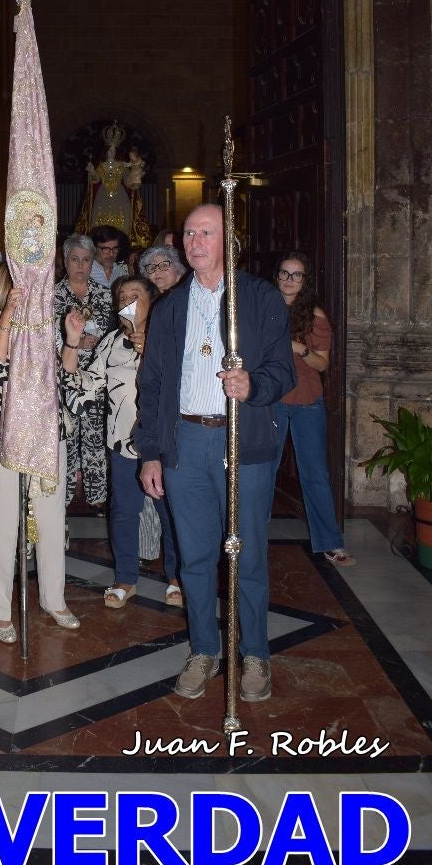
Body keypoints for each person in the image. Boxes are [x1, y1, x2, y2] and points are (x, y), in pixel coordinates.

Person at [137, 205, 295, 704]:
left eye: (206, 232)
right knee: (196, 556)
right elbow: (153, 385)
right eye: (189, 233)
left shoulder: (259, 297)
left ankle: (254, 656)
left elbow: (283, 370)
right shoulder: (170, 307)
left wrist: (255, 384)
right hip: (187, 442)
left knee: (246, 553)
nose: (194, 241)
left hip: (242, 439)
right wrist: (151, 453)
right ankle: (204, 649)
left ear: (228, 239)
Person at [0, 263, 80, 640]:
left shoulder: (44, 325)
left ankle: (54, 598)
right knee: (4, 521)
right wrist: (9, 316)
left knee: (51, 518)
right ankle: (0, 608)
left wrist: (71, 341)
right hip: (0, 434)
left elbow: (64, 378)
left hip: (48, 432)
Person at [62, 276, 181, 608]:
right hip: (122, 443)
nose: (128, 300)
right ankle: (126, 578)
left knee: (171, 512)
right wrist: (71, 343)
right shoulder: (112, 342)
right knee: (123, 512)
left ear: (152, 301)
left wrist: (152, 352)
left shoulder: (171, 338)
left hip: (163, 444)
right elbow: (84, 386)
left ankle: (176, 578)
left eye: (136, 295)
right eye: (122, 296)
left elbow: (183, 387)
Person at [271, 253, 355, 566]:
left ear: (305, 282)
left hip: (307, 401)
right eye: (284, 273)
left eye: (296, 275)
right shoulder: (265, 306)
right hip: (271, 401)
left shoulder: (314, 315)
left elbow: (322, 363)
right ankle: (247, 538)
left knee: (315, 473)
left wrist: (298, 348)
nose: (289, 279)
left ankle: (330, 542)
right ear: (277, 275)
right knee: (262, 472)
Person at [54, 234, 114, 507]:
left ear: (93, 263)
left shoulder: (104, 295)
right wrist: (73, 342)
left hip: (95, 375)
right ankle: (62, 496)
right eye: (74, 259)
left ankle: (97, 496)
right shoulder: (53, 295)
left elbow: (114, 334)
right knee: (65, 436)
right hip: (63, 374)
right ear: (65, 262)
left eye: (86, 260)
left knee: (95, 436)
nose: (80, 265)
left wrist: (96, 341)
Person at [90, 225, 130, 289]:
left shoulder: (121, 274)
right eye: (105, 249)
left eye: (115, 248)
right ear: (94, 248)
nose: (111, 254)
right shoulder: (87, 271)